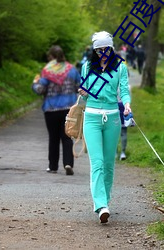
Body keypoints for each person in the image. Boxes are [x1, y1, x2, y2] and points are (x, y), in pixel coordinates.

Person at [78, 31, 131, 223]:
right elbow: (84, 96)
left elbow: (124, 90)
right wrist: (83, 92)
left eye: (105, 49)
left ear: (111, 49)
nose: (102, 53)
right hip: (91, 117)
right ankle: (100, 205)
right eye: (98, 50)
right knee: (97, 163)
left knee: (109, 164)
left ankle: (105, 201)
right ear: (94, 50)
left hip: (113, 118)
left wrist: (126, 104)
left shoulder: (120, 68)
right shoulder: (86, 67)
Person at [32, 45, 80, 175]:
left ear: (51, 57)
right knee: (67, 136)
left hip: (51, 109)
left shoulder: (47, 71)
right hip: (68, 109)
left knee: (53, 138)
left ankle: (53, 167)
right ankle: (68, 163)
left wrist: (35, 83)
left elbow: (40, 90)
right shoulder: (72, 70)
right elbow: (79, 87)